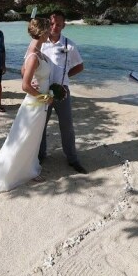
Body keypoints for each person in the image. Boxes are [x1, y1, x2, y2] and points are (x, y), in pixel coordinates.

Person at [0, 17, 53, 192]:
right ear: (43, 32)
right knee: (25, 136)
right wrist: (44, 97)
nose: (50, 33)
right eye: (48, 29)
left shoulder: (38, 51)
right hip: (35, 104)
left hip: (39, 102)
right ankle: (16, 171)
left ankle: (29, 167)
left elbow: (24, 71)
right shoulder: (33, 56)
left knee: (33, 137)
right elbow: (24, 85)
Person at [38, 10, 87, 174]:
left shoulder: (69, 45)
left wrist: (65, 77)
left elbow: (80, 66)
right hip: (43, 91)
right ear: (48, 23)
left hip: (62, 92)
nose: (55, 26)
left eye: (58, 24)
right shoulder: (40, 43)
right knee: (40, 125)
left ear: (64, 25)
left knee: (67, 126)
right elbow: (28, 64)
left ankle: (72, 158)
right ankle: (40, 155)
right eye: (52, 23)